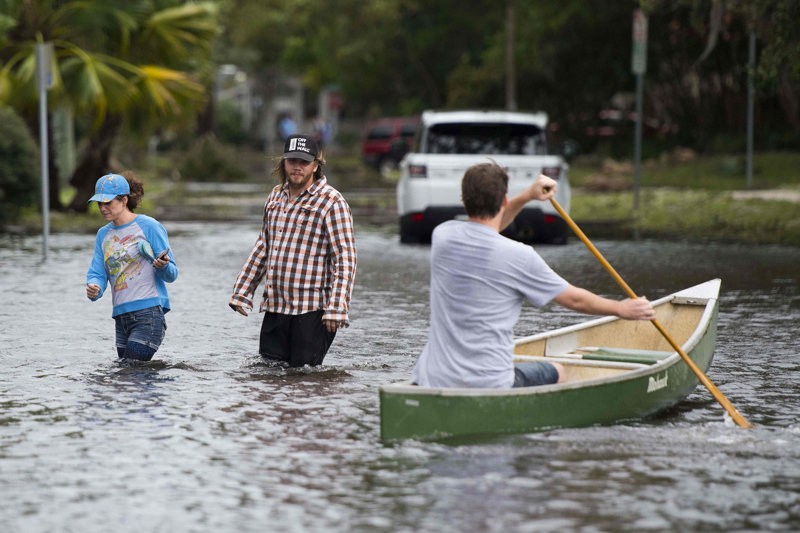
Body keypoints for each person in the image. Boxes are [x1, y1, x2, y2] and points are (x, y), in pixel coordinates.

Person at [412, 162, 655, 389]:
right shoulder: (520, 256)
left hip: (432, 380)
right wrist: (621, 309)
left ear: (464, 200)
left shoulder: (443, 236)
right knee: (558, 370)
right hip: (490, 383)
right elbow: (574, 300)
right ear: (504, 199)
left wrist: (528, 196)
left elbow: (489, 226)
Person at [229, 133, 357, 367]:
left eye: (304, 162)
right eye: (292, 161)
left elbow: (345, 258)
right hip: (275, 306)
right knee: (269, 375)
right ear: (284, 163)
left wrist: (337, 307)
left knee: (305, 379)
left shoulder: (332, 202)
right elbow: (263, 246)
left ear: (315, 165)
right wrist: (242, 290)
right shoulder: (276, 197)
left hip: (312, 311)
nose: (297, 167)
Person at [85, 171, 179, 361]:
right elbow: (97, 273)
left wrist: (162, 266)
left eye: (108, 202)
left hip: (149, 315)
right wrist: (94, 287)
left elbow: (172, 274)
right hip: (121, 318)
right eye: (99, 203)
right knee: (126, 382)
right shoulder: (103, 235)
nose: (103, 208)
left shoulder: (149, 226)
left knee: (130, 373)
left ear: (124, 200)